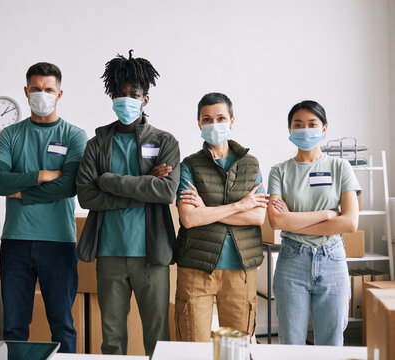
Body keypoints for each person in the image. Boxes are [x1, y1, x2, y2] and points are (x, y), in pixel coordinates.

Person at [76, 50, 180, 357]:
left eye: (133, 94)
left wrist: (107, 180)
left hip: (152, 255)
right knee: (111, 339)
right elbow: (86, 196)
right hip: (109, 252)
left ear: (145, 99)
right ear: (111, 98)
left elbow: (165, 193)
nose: (127, 100)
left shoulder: (164, 142)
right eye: (120, 95)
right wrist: (145, 184)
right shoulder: (96, 144)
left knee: (158, 337)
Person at [0, 62, 87, 353]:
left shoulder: (74, 135)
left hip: (59, 242)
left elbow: (69, 186)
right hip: (15, 242)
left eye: (49, 90)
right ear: (25, 91)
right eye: (36, 89)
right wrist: (39, 176)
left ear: (60, 93)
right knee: (14, 326)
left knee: (62, 325)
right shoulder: (10, 135)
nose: (42, 94)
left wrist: (22, 193)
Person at [174, 92, 267, 342]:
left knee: (236, 348)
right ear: (199, 123)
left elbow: (257, 216)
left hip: (240, 268)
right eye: (207, 119)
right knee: (193, 346)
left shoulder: (251, 165)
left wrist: (208, 211)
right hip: (196, 268)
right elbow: (189, 219)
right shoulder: (188, 165)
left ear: (232, 120)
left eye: (221, 117)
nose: (214, 124)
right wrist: (240, 205)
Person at [268, 100, 361, 345]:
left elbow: (350, 222)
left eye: (312, 124)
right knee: (291, 345)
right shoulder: (279, 171)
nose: (305, 129)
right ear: (289, 129)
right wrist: (327, 214)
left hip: (332, 260)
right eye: (298, 124)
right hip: (291, 261)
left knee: (331, 345)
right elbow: (276, 221)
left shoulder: (340, 167)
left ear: (324, 128)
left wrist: (293, 221)